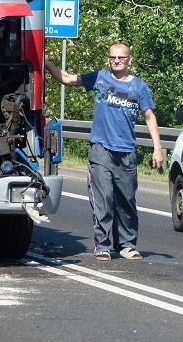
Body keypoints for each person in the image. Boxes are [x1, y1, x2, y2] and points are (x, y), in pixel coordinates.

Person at [44, 42, 164, 261]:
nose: (116, 61)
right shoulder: (99, 78)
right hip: (101, 149)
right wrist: (43, 62)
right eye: (112, 58)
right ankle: (103, 244)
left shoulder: (139, 87)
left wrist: (158, 148)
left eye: (120, 58)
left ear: (129, 60)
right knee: (103, 198)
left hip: (126, 152)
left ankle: (127, 245)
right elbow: (67, 78)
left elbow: (149, 116)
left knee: (126, 200)